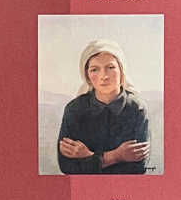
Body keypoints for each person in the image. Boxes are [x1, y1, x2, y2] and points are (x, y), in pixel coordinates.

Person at [56, 38, 151, 175]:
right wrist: (116, 156)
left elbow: (137, 168)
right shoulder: (75, 109)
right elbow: (67, 166)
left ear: (121, 70)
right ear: (87, 76)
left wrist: (88, 156)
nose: (103, 76)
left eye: (110, 68)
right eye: (94, 70)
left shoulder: (137, 109)